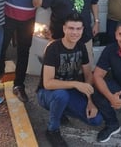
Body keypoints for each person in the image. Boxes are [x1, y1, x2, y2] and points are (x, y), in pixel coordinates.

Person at [37, 13, 103, 147]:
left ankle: (60, 110)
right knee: (61, 95)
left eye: (78, 29)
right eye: (71, 28)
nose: (75, 32)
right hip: (48, 94)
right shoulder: (53, 48)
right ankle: (52, 130)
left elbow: (88, 75)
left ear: (83, 30)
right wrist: (75, 83)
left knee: (96, 120)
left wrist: (90, 101)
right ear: (64, 29)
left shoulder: (81, 47)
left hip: (69, 92)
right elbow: (48, 83)